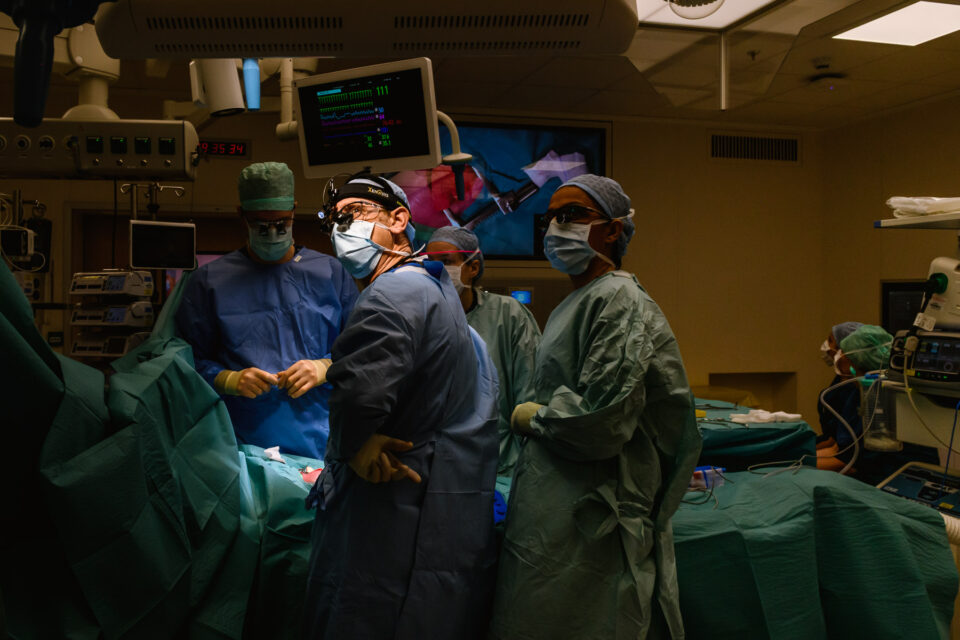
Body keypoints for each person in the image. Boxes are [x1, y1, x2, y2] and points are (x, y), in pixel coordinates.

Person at [490, 174, 702, 639]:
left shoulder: (619, 300)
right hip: (558, 511)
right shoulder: (579, 301)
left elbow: (600, 424)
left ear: (612, 229)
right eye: (550, 218)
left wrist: (537, 416)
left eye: (572, 216)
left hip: (590, 520)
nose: (555, 227)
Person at [303, 174, 500, 639]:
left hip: (395, 506)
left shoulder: (391, 295)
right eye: (334, 220)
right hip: (436, 498)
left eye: (353, 214)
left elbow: (359, 394)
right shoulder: (432, 288)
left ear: (398, 220)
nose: (340, 229)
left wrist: (353, 447)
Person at [175, 161, 358, 460]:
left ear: (294, 211)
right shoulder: (210, 282)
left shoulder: (330, 273)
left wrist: (325, 368)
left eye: (282, 223)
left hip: (320, 441)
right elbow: (183, 361)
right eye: (262, 225)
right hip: (240, 443)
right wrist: (227, 380)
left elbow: (361, 350)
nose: (273, 233)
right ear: (241, 216)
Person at [425, 226, 541, 476]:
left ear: (473, 268)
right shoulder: (419, 317)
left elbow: (529, 397)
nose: (434, 270)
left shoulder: (508, 316)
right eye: (429, 261)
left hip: (499, 465)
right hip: (433, 465)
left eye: (446, 261)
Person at [817, 323, 938, 482]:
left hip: (898, 478)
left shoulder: (885, 398)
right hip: (870, 475)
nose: (839, 356)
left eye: (843, 353)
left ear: (856, 360)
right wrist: (799, 459)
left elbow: (850, 463)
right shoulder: (859, 392)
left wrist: (803, 463)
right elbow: (841, 449)